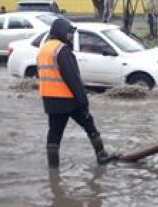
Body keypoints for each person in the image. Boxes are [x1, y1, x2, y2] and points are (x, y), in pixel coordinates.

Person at [38, 18, 117, 168]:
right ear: (61, 32)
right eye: (69, 33)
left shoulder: (44, 49)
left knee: (54, 135)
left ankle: (53, 170)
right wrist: (84, 102)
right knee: (89, 126)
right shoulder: (62, 50)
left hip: (50, 101)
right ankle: (102, 156)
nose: (71, 37)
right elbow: (73, 78)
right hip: (69, 100)